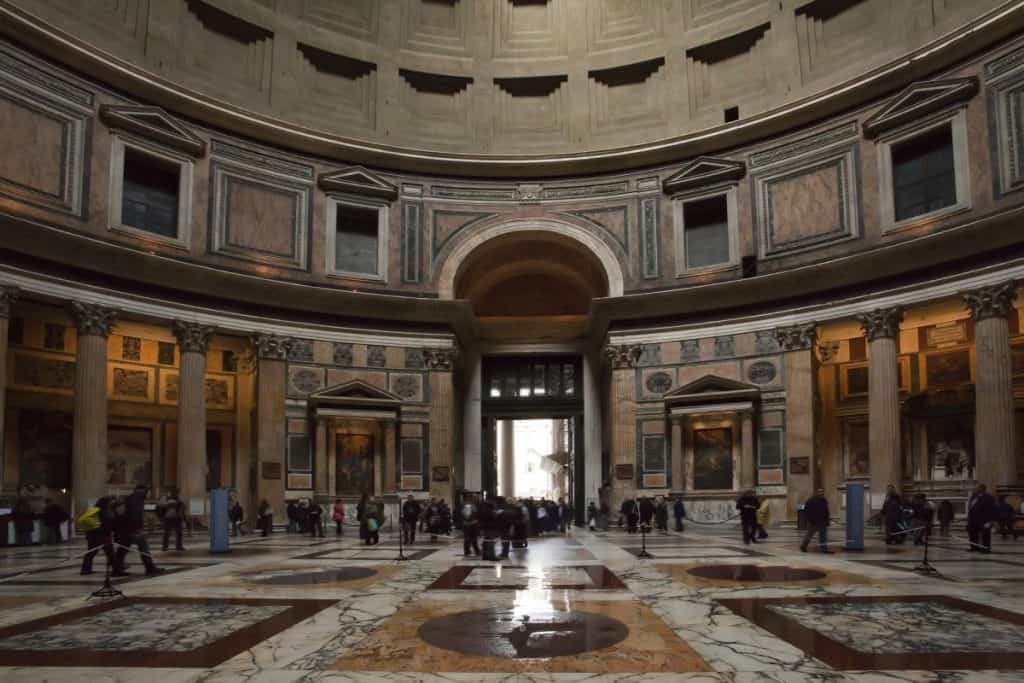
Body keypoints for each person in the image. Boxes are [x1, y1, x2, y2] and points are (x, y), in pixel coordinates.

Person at [116, 485, 163, 576]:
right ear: (142, 491)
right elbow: (135, 515)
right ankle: (150, 568)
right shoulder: (136, 500)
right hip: (133, 530)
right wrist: (137, 529)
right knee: (144, 549)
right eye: (147, 491)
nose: (147, 494)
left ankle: (116, 569)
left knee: (122, 550)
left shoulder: (130, 498)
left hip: (125, 530)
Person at [79, 496, 116, 575]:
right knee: (110, 552)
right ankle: (116, 569)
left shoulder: (96, 509)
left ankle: (85, 569)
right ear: (106, 503)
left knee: (91, 552)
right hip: (101, 535)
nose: (112, 503)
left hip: (92, 534)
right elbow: (106, 523)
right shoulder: (102, 511)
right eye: (110, 501)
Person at [967, 483, 997, 553]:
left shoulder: (989, 497)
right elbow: (971, 508)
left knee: (985, 535)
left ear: (982, 489)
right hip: (973, 520)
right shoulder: (973, 497)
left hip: (984, 520)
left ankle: (986, 549)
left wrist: (990, 521)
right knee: (973, 535)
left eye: (977, 488)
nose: (975, 489)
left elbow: (992, 510)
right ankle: (974, 547)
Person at [800, 489, 832, 553]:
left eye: (822, 492)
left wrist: (827, 520)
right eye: (819, 492)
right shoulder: (811, 500)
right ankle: (803, 546)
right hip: (813, 522)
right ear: (816, 493)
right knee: (809, 535)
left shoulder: (824, 500)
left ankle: (824, 548)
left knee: (823, 536)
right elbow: (806, 511)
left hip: (822, 521)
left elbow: (826, 511)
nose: (821, 493)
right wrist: (810, 520)